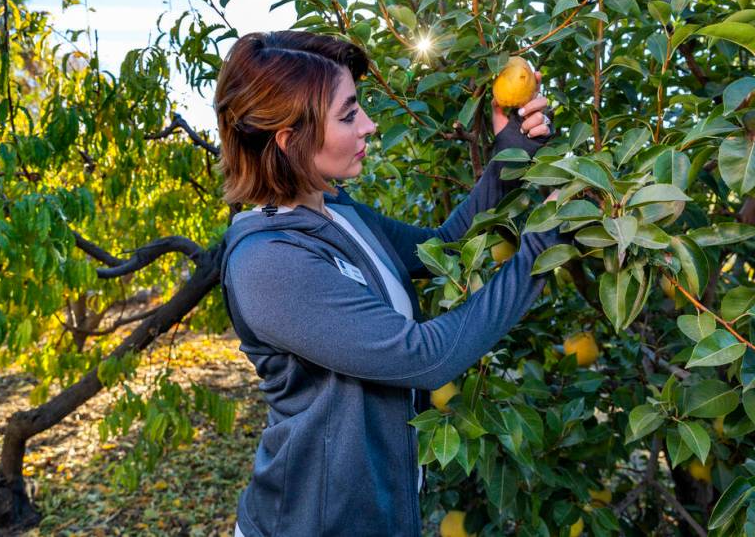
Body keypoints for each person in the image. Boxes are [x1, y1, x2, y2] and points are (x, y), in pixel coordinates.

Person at [214, 31, 564, 537]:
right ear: (290, 140)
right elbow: (426, 356)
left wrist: (508, 157)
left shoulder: (332, 209)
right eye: (348, 114)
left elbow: (439, 245)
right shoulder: (269, 263)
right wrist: (544, 244)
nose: (369, 126)